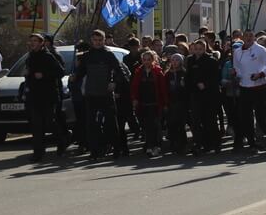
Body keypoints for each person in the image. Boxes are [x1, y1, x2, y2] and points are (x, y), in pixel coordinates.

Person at [72, 30, 127, 158]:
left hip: (106, 94)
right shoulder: (86, 56)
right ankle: (95, 151)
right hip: (91, 94)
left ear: (103, 40)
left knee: (111, 124)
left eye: (100, 40)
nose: (97, 42)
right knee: (91, 124)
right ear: (92, 40)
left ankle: (117, 149)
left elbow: (120, 73)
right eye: (95, 40)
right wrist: (74, 77)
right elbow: (80, 73)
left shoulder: (109, 55)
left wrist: (114, 83)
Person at [22, 33, 65, 162]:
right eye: (31, 41)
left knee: (49, 122)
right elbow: (29, 75)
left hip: (48, 95)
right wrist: (27, 75)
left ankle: (63, 139)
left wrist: (44, 75)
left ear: (42, 43)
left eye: (35, 41)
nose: (33, 43)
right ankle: (38, 153)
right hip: (34, 95)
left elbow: (60, 72)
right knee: (36, 125)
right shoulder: (30, 57)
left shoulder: (48, 56)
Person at [232, 30, 266, 152]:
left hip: (258, 87)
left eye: (251, 35)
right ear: (242, 37)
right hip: (244, 87)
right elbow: (237, 68)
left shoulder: (260, 49)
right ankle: (252, 142)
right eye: (246, 36)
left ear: (254, 37)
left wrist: (261, 74)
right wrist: (235, 73)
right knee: (246, 117)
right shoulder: (237, 52)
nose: (249, 38)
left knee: (261, 116)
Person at [186, 39, 222, 154]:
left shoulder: (211, 61)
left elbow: (216, 78)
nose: (198, 51)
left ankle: (215, 143)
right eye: (196, 49)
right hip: (195, 94)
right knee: (196, 121)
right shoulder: (190, 60)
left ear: (205, 49)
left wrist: (205, 84)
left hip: (209, 95)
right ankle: (199, 143)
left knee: (210, 120)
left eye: (200, 49)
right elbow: (189, 76)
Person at [131, 50, 168, 157]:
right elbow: (134, 87)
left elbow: (163, 89)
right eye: (144, 59)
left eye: (149, 59)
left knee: (154, 125)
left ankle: (155, 146)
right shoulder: (139, 72)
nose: (146, 62)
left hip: (155, 103)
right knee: (146, 126)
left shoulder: (158, 72)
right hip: (143, 103)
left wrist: (165, 103)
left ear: (153, 60)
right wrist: (134, 99)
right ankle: (149, 145)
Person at [164, 53, 190, 155]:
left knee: (180, 124)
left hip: (181, 102)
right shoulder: (167, 74)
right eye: (173, 60)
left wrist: (184, 86)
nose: (174, 62)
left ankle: (182, 145)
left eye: (177, 60)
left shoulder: (184, 73)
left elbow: (187, 88)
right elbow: (165, 88)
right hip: (171, 102)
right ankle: (173, 144)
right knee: (171, 124)